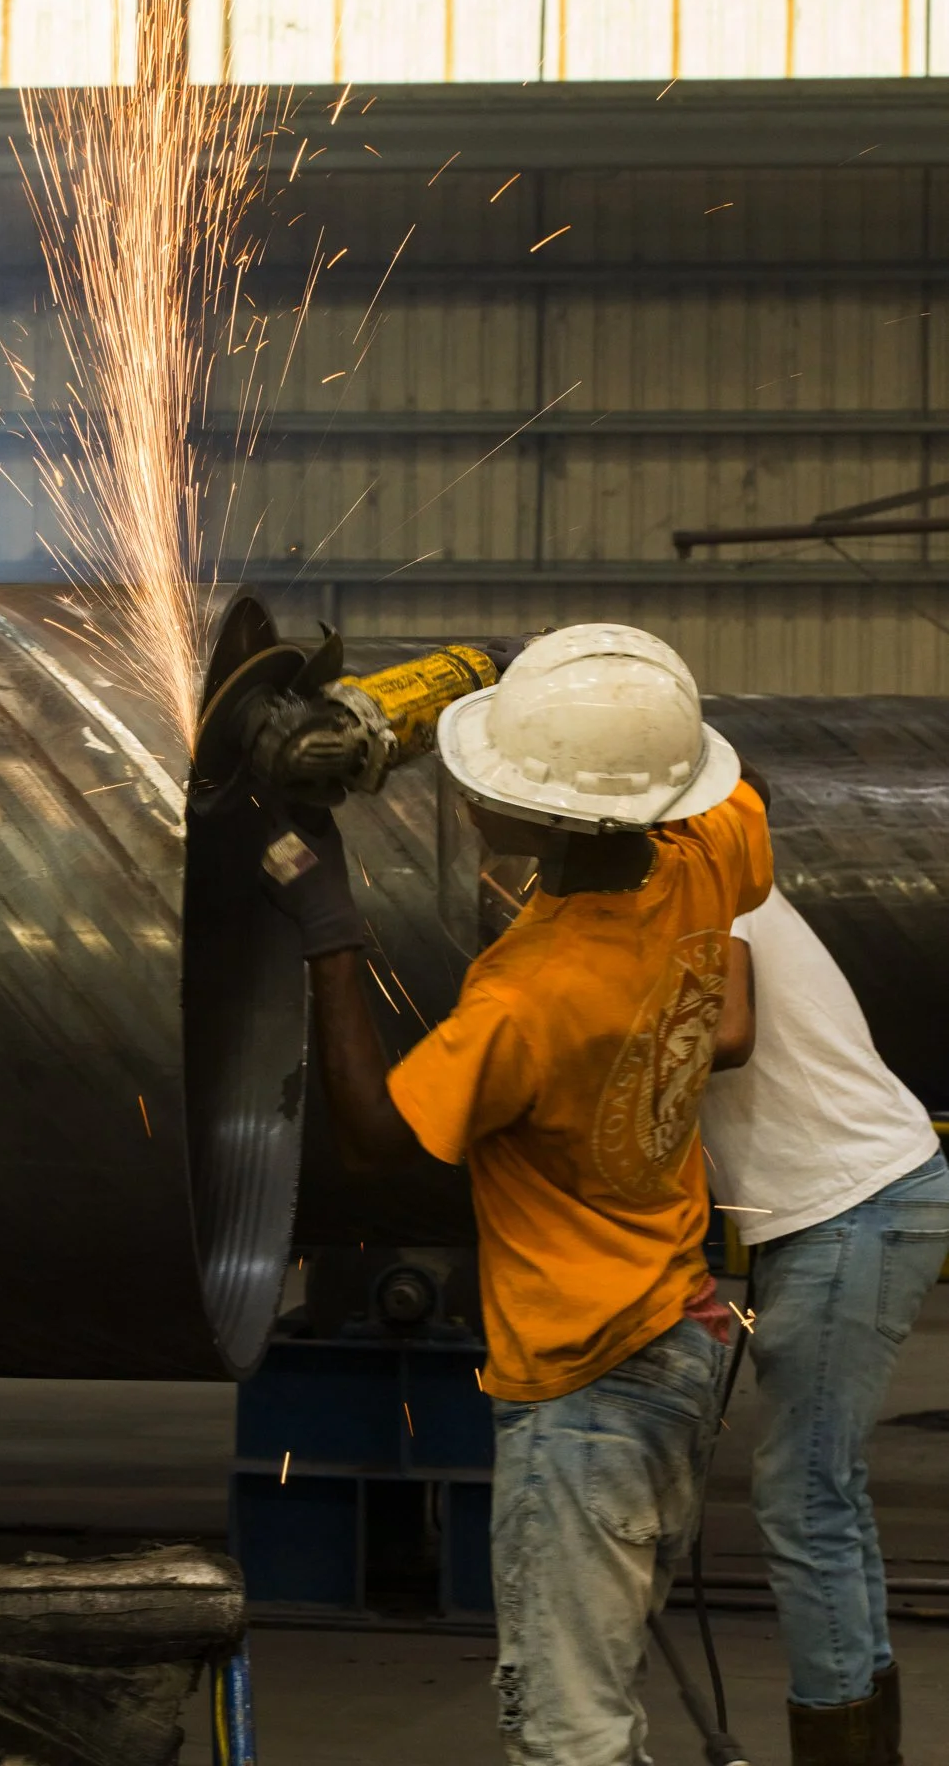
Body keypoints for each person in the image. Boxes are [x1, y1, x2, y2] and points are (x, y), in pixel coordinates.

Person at [260, 622, 773, 1766]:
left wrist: (326, 922)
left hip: (585, 1382)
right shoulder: (700, 848)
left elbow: (376, 1131)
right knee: (600, 1694)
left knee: (567, 1731)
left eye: (489, 766)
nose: (464, 779)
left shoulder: (527, 997)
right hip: (675, 1333)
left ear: (536, 816)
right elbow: (730, 783)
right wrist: (488, 669)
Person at [705, 882, 949, 1766]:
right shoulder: (698, 888)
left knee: (804, 1499)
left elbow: (728, 1037)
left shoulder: (711, 889)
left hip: (852, 1207)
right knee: (826, 1492)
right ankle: (863, 1739)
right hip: (844, 1209)